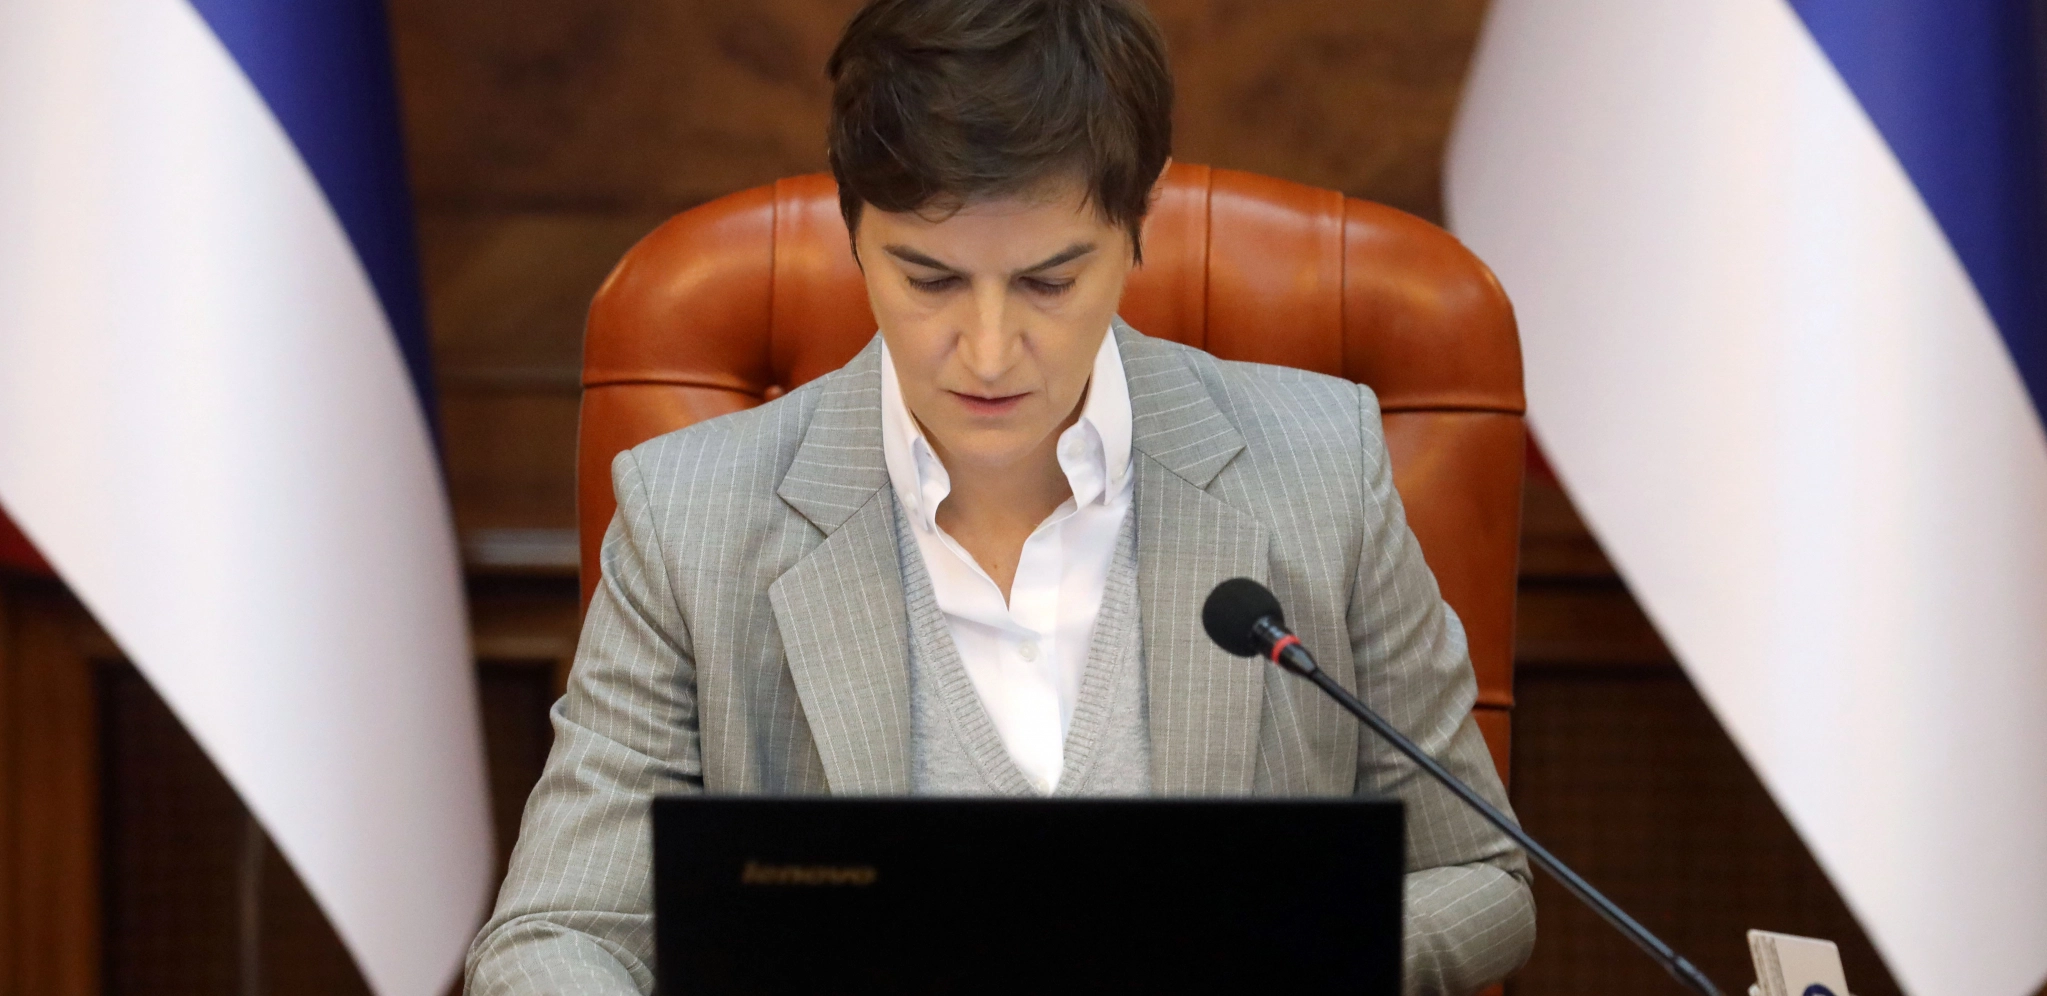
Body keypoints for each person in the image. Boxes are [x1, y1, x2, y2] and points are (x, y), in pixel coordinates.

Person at [466, 0, 1535, 992]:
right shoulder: (688, 515)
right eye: (928, 279)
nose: (985, 352)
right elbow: (556, 933)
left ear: (1139, 220)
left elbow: (1479, 873)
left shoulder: (1320, 466)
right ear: (853, 229)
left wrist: (1280, 958)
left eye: (1047, 281)